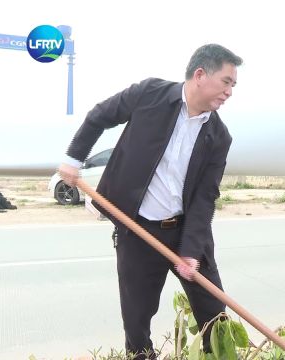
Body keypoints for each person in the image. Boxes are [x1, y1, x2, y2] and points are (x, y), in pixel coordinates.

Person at [58, 44, 242, 359]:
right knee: (137, 317)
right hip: (137, 228)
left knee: (214, 312)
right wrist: (73, 160)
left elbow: (205, 197)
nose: (229, 92)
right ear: (200, 75)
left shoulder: (218, 136)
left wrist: (190, 251)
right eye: (226, 82)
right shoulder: (150, 94)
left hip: (185, 231)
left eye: (233, 86)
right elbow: (99, 116)